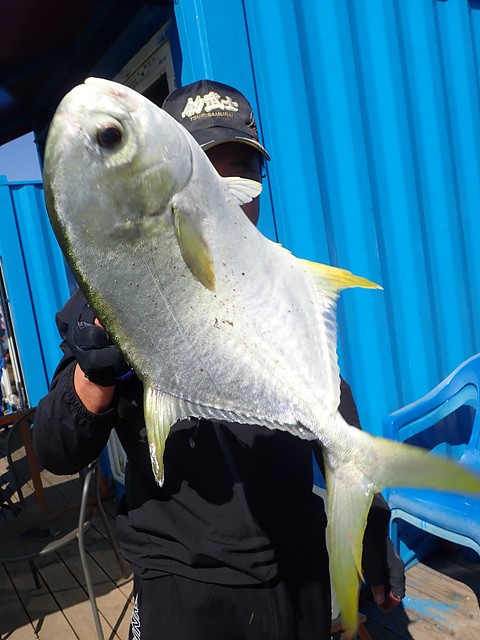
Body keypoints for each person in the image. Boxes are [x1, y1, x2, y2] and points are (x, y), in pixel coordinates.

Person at [34, 79, 405, 640]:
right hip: (186, 585)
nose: (231, 191)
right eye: (209, 170)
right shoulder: (110, 290)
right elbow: (56, 449)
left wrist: (371, 529)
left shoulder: (281, 282)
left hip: (299, 567)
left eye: (245, 175)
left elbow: (331, 407)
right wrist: (95, 370)